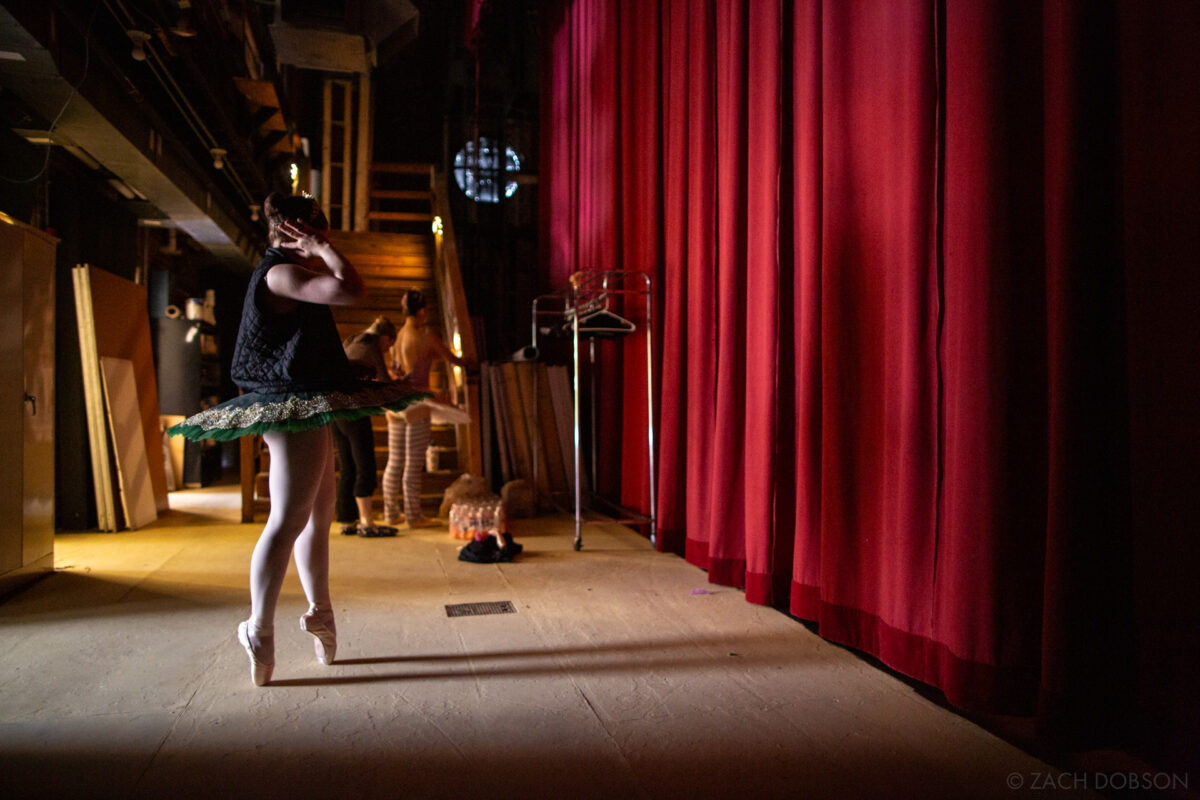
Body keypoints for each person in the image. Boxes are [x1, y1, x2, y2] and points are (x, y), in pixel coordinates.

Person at [169, 193, 427, 687]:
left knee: (319, 515)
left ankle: (320, 612)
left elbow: (300, 343)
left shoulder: (289, 273)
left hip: (303, 397)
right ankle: (259, 629)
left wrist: (338, 366)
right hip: (287, 406)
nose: (321, 245)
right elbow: (352, 289)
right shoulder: (280, 273)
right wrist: (323, 250)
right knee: (288, 519)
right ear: (293, 233)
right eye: (315, 236)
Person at [382, 289, 468, 528]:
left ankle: (391, 513)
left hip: (396, 404)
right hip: (417, 404)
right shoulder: (426, 337)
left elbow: (394, 370)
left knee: (394, 461)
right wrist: (468, 361)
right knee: (413, 462)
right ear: (422, 312)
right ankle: (413, 516)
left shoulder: (398, 337)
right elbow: (454, 360)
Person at [333, 316, 396, 537]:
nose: (388, 350)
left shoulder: (352, 340)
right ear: (385, 337)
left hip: (336, 409)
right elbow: (386, 381)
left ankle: (347, 520)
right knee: (365, 464)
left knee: (348, 466)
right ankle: (367, 522)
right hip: (354, 408)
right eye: (389, 345)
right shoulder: (372, 344)